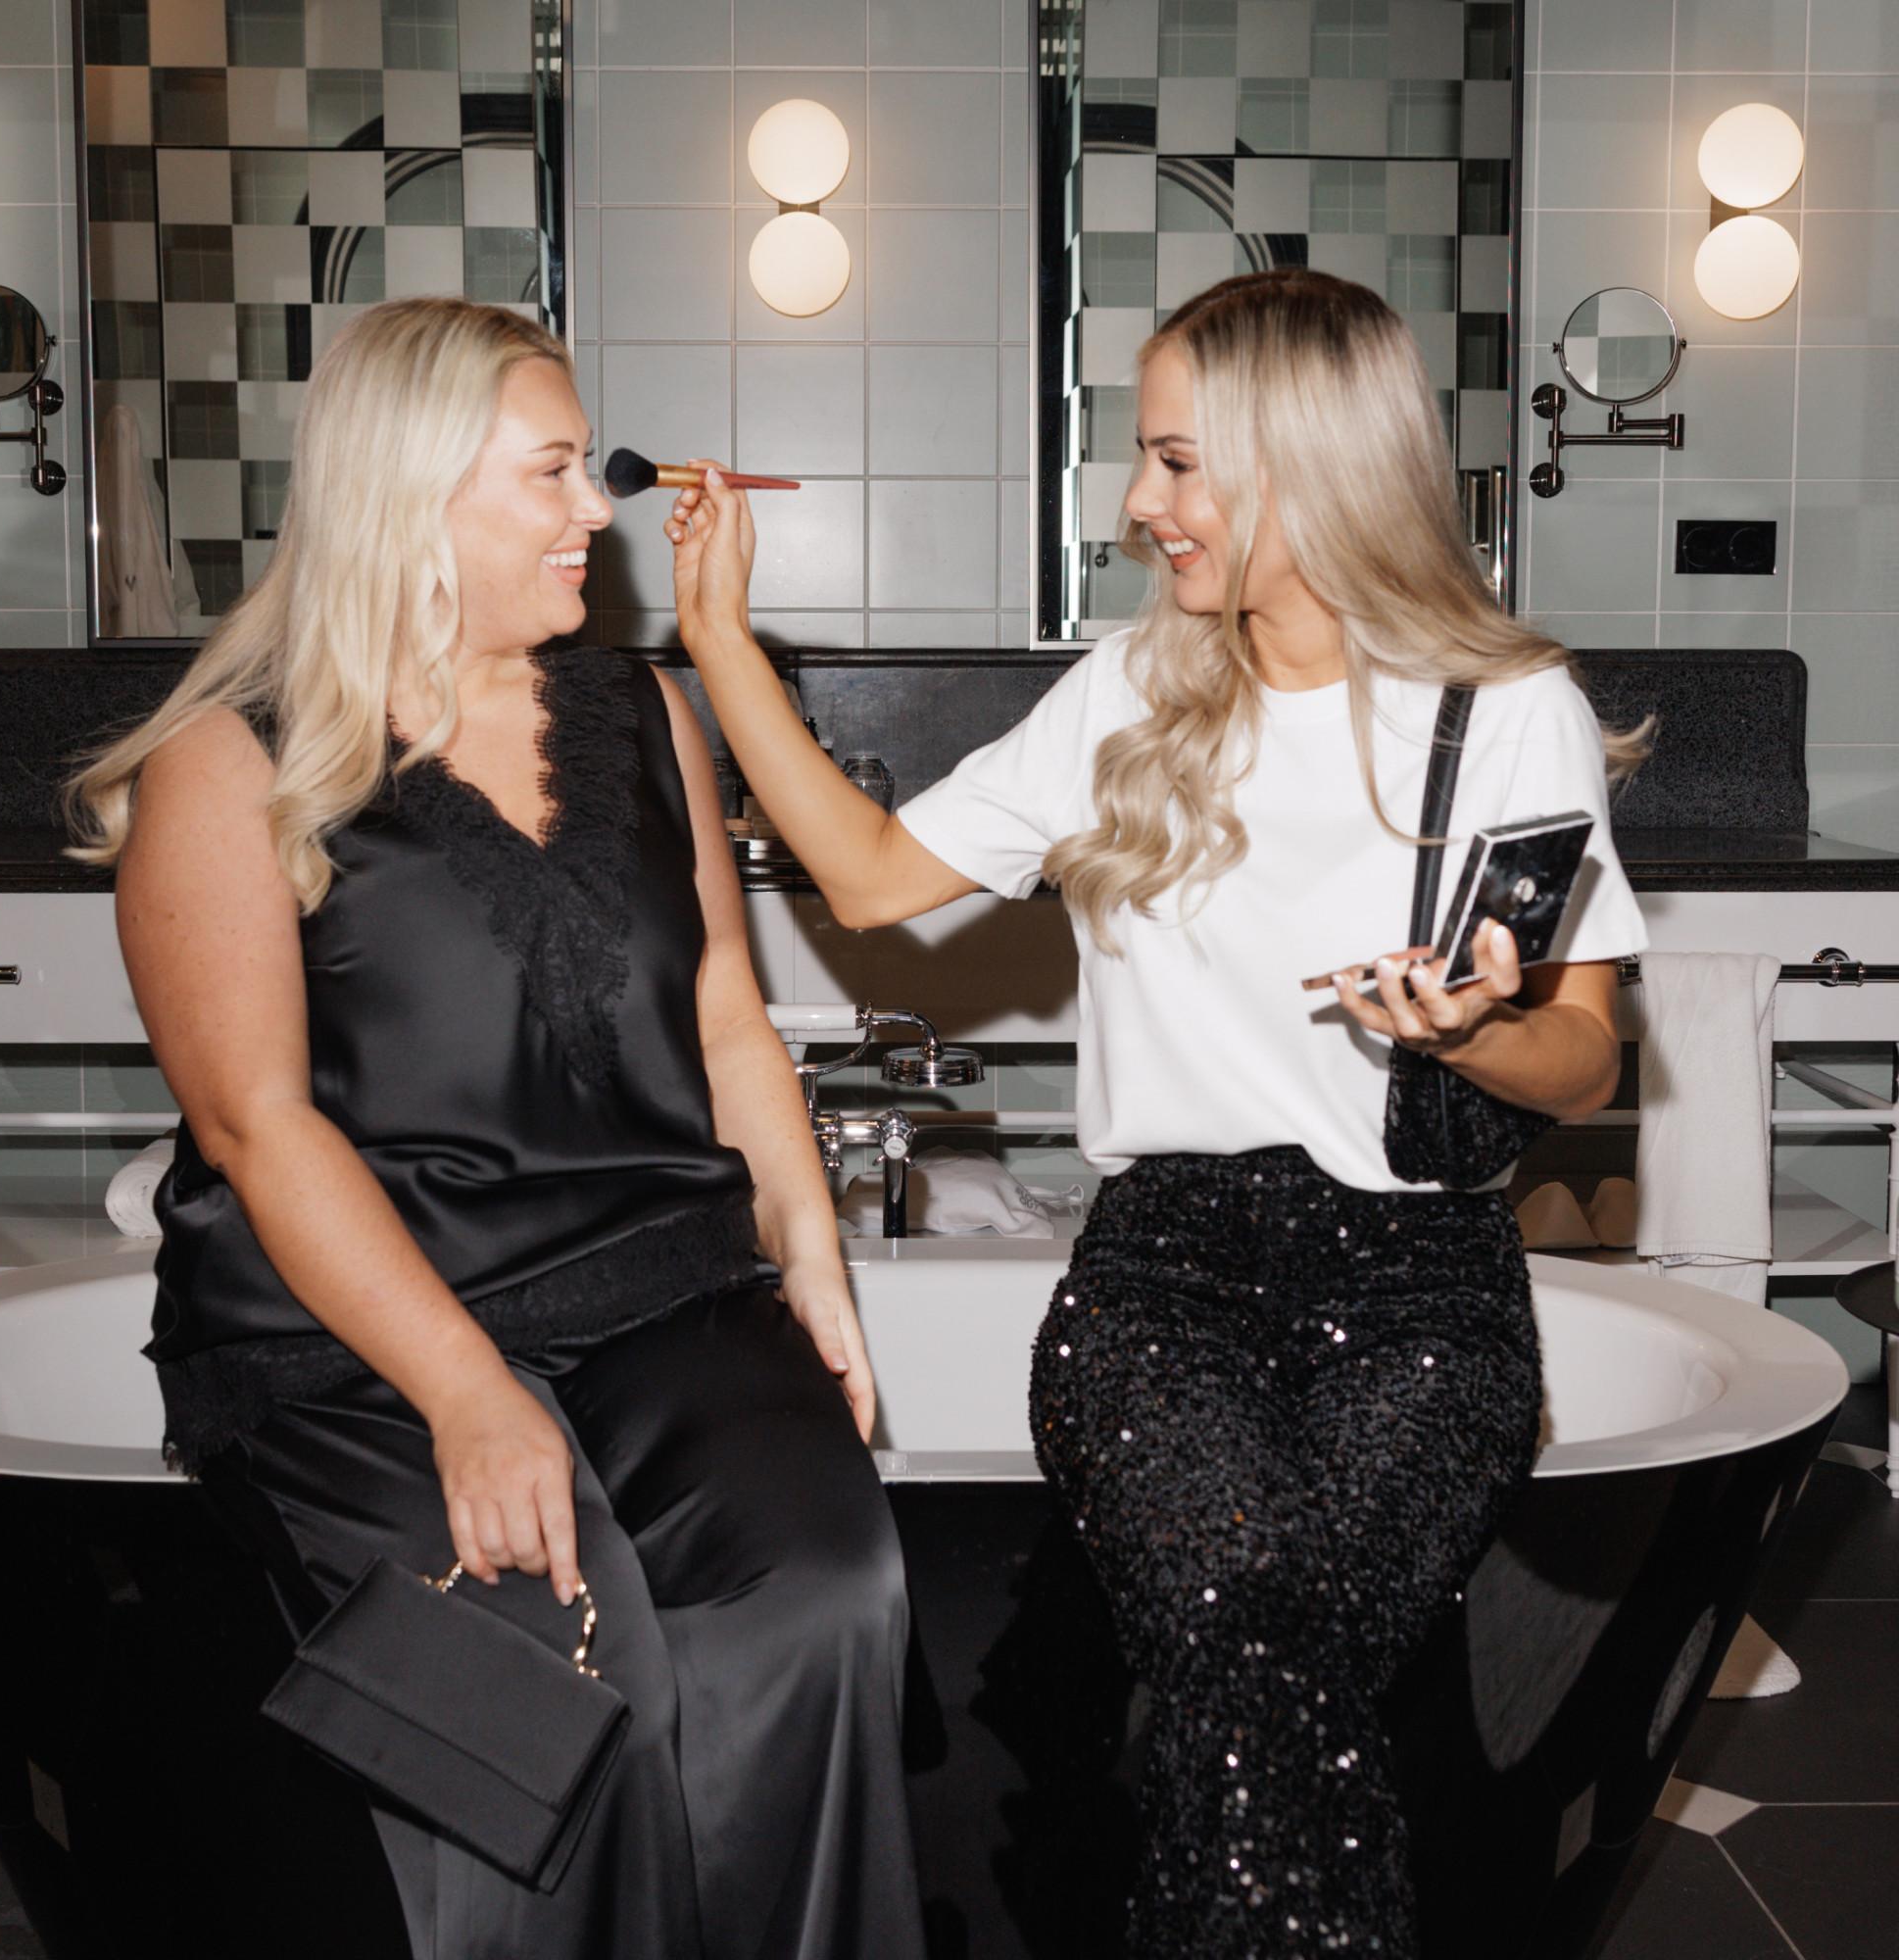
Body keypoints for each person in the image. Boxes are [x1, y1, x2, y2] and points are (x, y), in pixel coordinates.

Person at [662, 269, 1648, 1956]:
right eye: (1145, 459)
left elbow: (1589, 1063)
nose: (1140, 505)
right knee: (1265, 1645)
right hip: (1163, 1286)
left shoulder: (1508, 714)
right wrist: (718, 644)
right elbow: (871, 875)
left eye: (1183, 463)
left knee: (1256, 1682)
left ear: (1310, 459)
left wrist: (1475, 1033)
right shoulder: (1132, 696)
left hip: (1419, 1291)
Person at [67, 297, 924, 1959]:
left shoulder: (644, 721)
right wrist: (466, 1396)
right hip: (358, 1334)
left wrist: (810, 1257)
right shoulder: (221, 771)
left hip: (655, 1288)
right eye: (548, 471)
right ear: (411, 493)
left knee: (826, 1603)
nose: (592, 510)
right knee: (556, 1677)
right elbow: (255, 1129)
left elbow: (729, 1022)